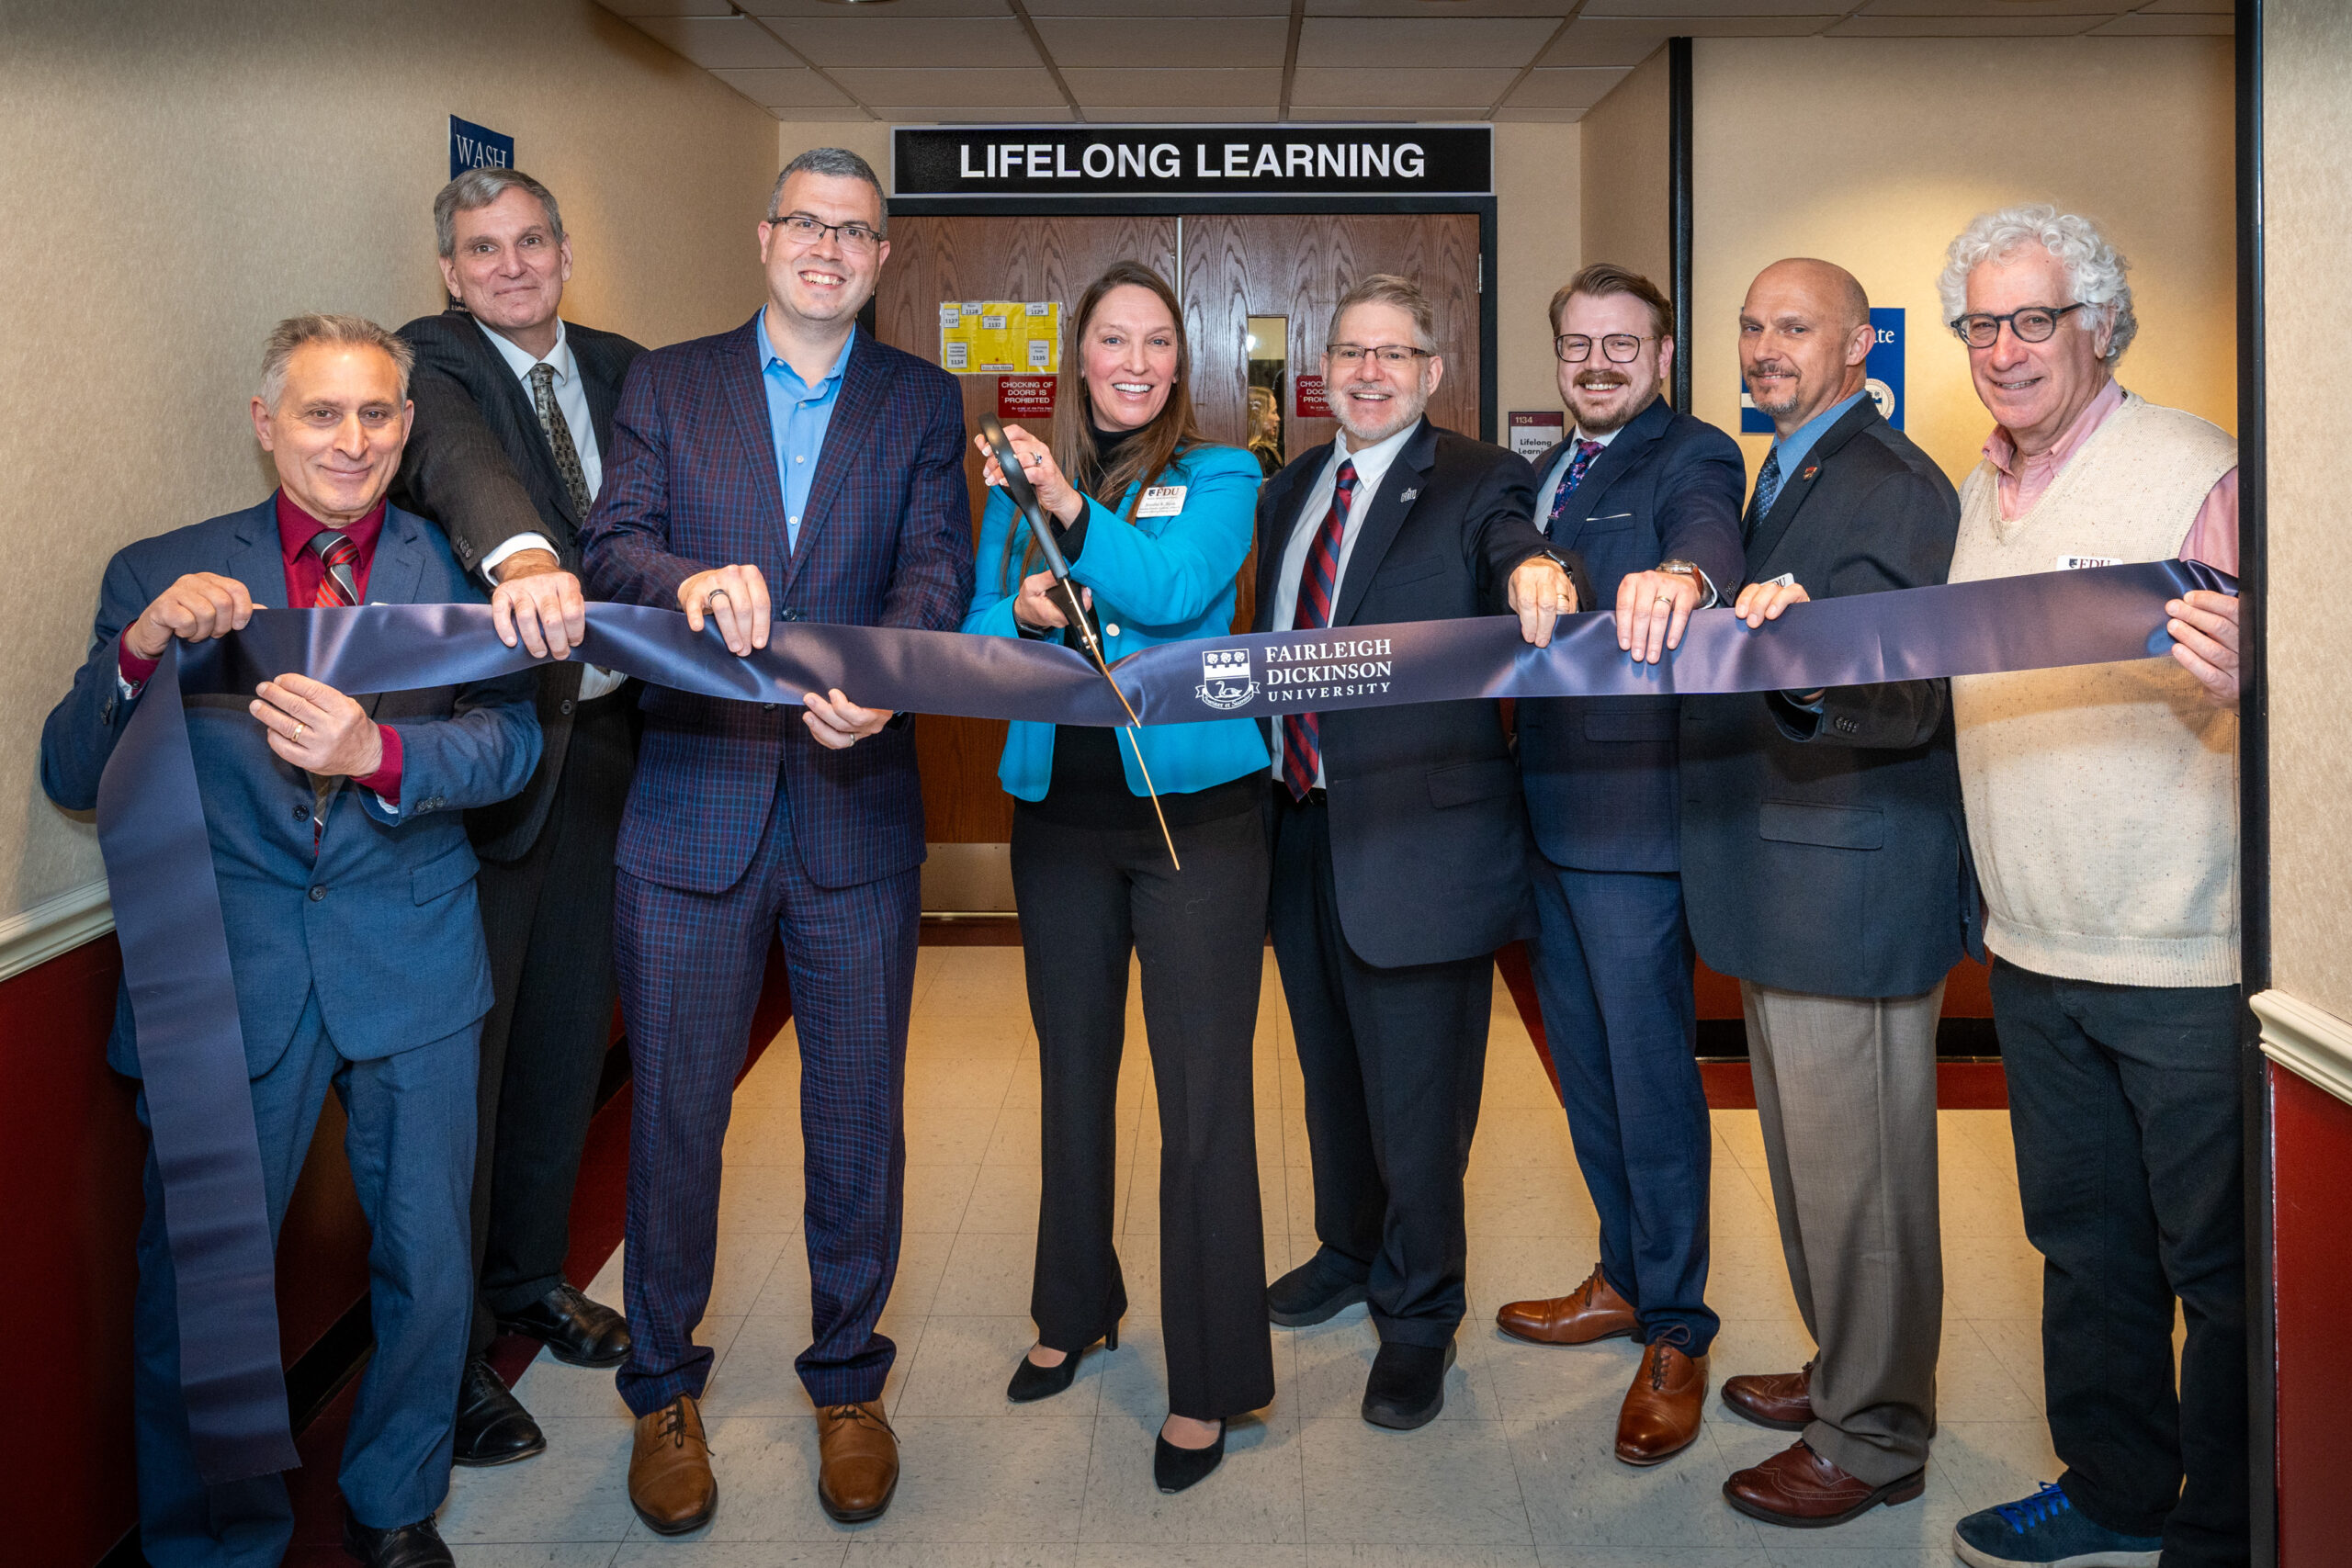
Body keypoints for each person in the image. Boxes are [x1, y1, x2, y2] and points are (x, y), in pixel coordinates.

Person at [39, 314, 542, 1568]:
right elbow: (73, 767)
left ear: (408, 429)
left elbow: (513, 745)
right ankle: (216, 1536)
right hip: (225, 978)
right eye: (322, 413)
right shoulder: (162, 570)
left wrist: (380, 752)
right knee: (200, 1282)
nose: (352, 440)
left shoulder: (461, 576)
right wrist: (140, 649)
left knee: (430, 1263)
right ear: (266, 422)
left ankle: (393, 1497)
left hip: (415, 959)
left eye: (377, 415)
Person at [578, 146, 973, 1534]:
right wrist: (690, 579)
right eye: (805, 222)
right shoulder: (668, 385)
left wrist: (895, 658)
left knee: (857, 1117)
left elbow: (940, 564)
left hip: (857, 812)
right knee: (677, 1116)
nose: (827, 247)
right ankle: (663, 1388)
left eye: (854, 232)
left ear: (879, 259)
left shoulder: (923, 400)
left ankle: (850, 1380)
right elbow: (610, 549)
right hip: (689, 812)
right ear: (764, 238)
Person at [1935, 206, 2245, 1568]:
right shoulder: (1973, 489)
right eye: (1980, 324)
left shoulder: (2195, 468)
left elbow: (2299, 683)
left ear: (2098, 323)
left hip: (2179, 944)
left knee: (2219, 1266)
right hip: (2035, 938)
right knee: (2081, 1240)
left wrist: (2264, 670)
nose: (2004, 350)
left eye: (2033, 319)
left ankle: (2230, 1524)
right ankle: (2116, 1481)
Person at [963, 260, 1275, 1494]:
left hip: (1197, 812)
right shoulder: (1021, 482)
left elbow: (1173, 588)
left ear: (1179, 361)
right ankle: (1074, 1301)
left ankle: (1208, 1378)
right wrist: (1029, 609)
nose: (1134, 361)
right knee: (1072, 1074)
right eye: (1112, 339)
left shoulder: (1225, 473)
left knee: (1202, 1100)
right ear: (1079, 356)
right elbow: (980, 624)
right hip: (1063, 815)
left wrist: (1070, 519)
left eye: (1157, 341)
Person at [1256, 273, 1589, 1431]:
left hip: (1417, 840)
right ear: (1325, 367)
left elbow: (1513, 543)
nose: (1369, 372)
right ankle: (1348, 1248)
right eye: (1351, 351)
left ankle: (1418, 1317)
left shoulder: (1479, 477)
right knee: (1331, 1075)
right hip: (1298, 825)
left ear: (1431, 372)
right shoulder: (1290, 485)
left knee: (1420, 1103)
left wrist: (1533, 572)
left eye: (1394, 354)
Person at [1679, 259, 1971, 1528]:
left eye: (1793, 327)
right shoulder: (1789, 463)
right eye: (1751, 326)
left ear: (1861, 344)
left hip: (1851, 878)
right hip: (1786, 869)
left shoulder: (1893, 482)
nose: (1764, 347)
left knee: (1867, 1184)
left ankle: (1879, 1431)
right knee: (1811, 1168)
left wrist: (1798, 660)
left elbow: (1905, 692)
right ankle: (1845, 1369)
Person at [390, 165, 644, 1468]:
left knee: (561, 1040)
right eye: (480, 248)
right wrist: (524, 553)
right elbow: (459, 459)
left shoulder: (626, 367)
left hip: (609, 752)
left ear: (562, 246)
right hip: (495, 762)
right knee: (466, 1078)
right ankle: (448, 1366)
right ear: (449, 269)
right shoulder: (428, 361)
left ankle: (529, 1280)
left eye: (529, 239)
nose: (509, 264)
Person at [1496, 263, 1745, 1465]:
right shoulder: (1547, 470)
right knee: (1586, 1075)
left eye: (1621, 345)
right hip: (1545, 820)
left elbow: (1707, 544)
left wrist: (1684, 579)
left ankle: (1679, 1326)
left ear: (1661, 353)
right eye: (1578, 344)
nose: (1597, 363)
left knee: (1651, 1084)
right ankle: (1623, 1272)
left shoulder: (1688, 453)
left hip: (1633, 833)